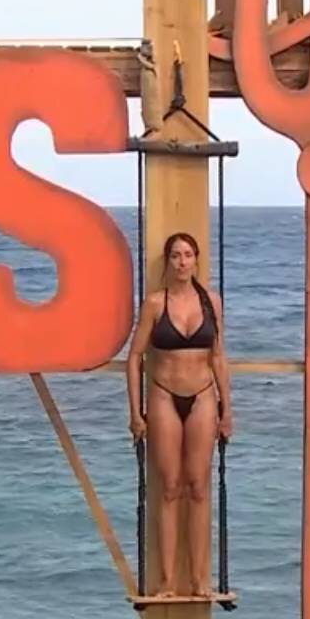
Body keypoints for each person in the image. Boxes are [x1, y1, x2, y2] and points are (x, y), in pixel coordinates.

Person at [124, 232, 234, 596]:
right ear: (168, 262)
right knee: (170, 487)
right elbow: (135, 357)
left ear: (196, 260)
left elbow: (218, 356)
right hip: (163, 394)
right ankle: (168, 582)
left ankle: (201, 581)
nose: (182, 261)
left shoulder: (211, 302)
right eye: (175, 255)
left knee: (198, 487)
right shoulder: (155, 304)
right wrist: (135, 412)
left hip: (203, 395)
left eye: (188, 254)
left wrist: (227, 409)